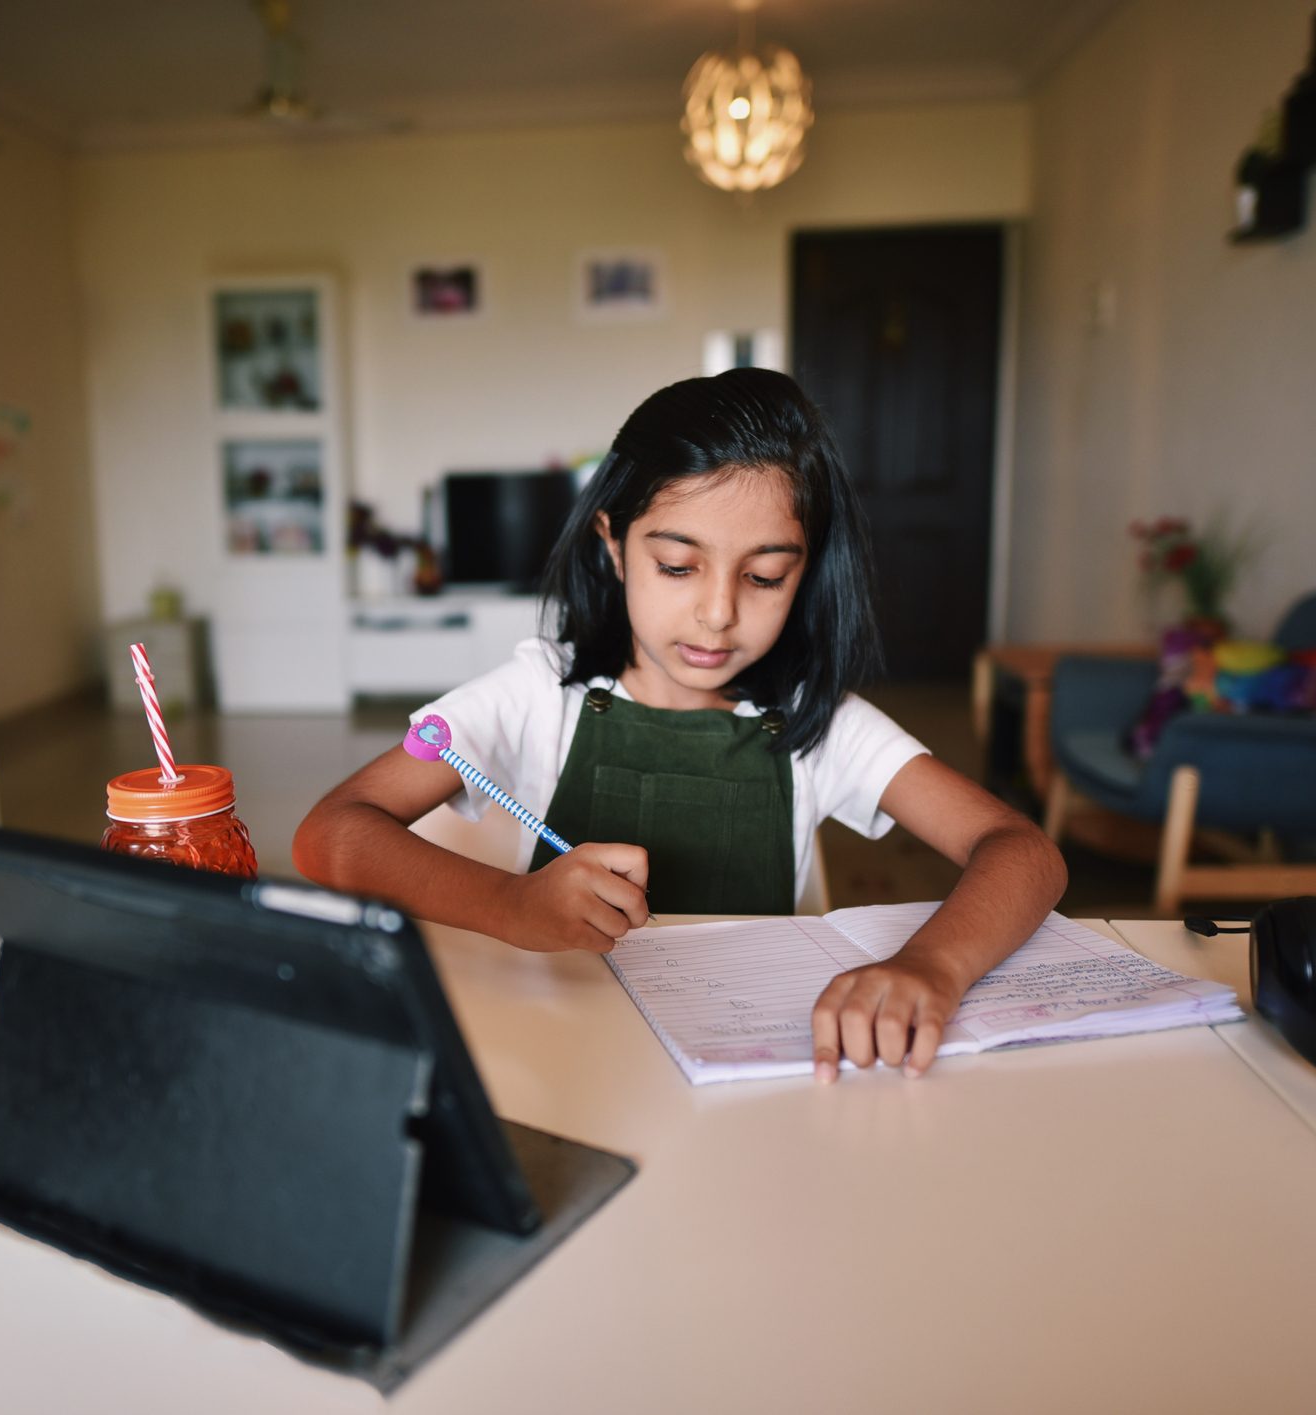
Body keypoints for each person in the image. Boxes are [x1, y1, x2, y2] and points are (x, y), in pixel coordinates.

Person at [294, 368, 1066, 1079]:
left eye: (765, 575)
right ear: (613, 546)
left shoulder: (815, 721)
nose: (718, 612)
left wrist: (932, 965)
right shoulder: (536, 693)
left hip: (756, 1069)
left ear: (806, 570)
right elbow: (329, 835)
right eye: (677, 565)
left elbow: (1024, 852)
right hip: (563, 1061)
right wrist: (512, 905)